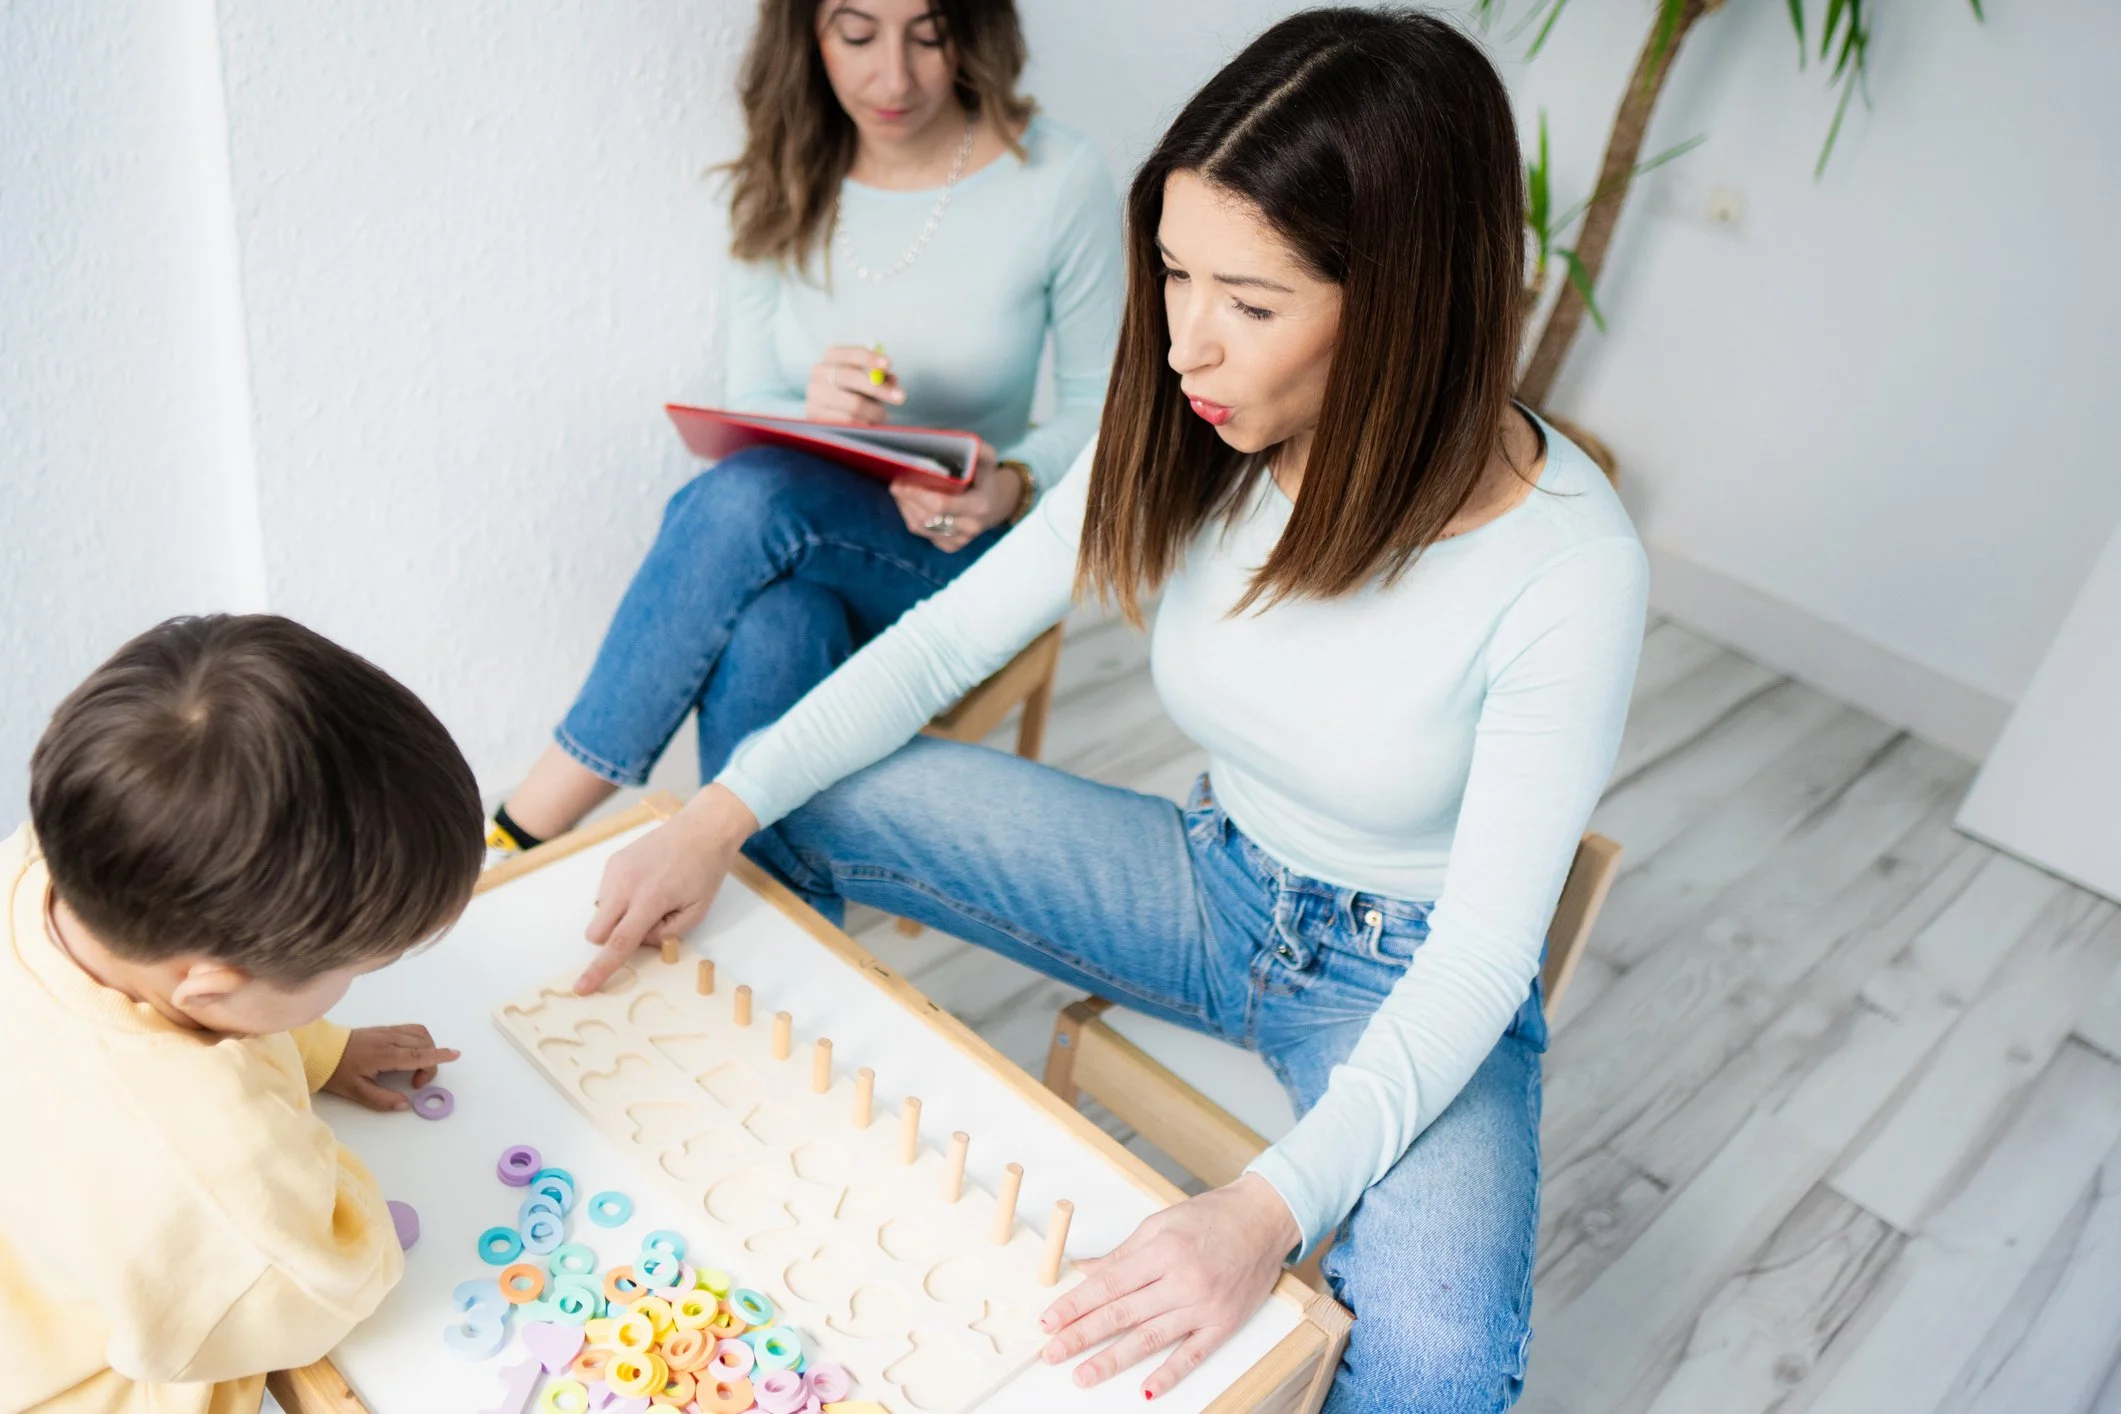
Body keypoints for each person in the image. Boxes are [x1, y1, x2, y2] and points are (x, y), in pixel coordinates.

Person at [572, 7, 1648, 1408]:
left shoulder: (1569, 566)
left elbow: (1482, 958)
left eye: (1250, 304)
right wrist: (706, 816)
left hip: (1416, 969)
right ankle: (759, 1189)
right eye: (1173, 274)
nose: (1188, 344)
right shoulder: (1189, 424)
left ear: (1403, 303)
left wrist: (1255, 1212)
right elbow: (934, 648)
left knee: (1437, 1365)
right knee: (789, 797)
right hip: (1211, 886)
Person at [486, 0, 1122, 855]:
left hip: (962, 556)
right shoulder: (780, 176)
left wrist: (1011, 483)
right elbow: (755, 397)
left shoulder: (1055, 177)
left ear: (974, 28)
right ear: (807, 34)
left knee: (749, 501)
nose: (892, 76)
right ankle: (777, 929)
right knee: (775, 627)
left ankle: (519, 832)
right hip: (800, 548)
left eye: (928, 34)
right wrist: (812, 409)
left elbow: (1107, 412)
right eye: (856, 35)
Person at [0, 615, 482, 1413]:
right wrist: (305, 1177)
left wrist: (317, 1047)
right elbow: (325, 1281)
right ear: (213, 990)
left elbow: (192, 1008)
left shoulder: (47, 863)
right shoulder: (215, 1170)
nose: (356, 984)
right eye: (357, 971)